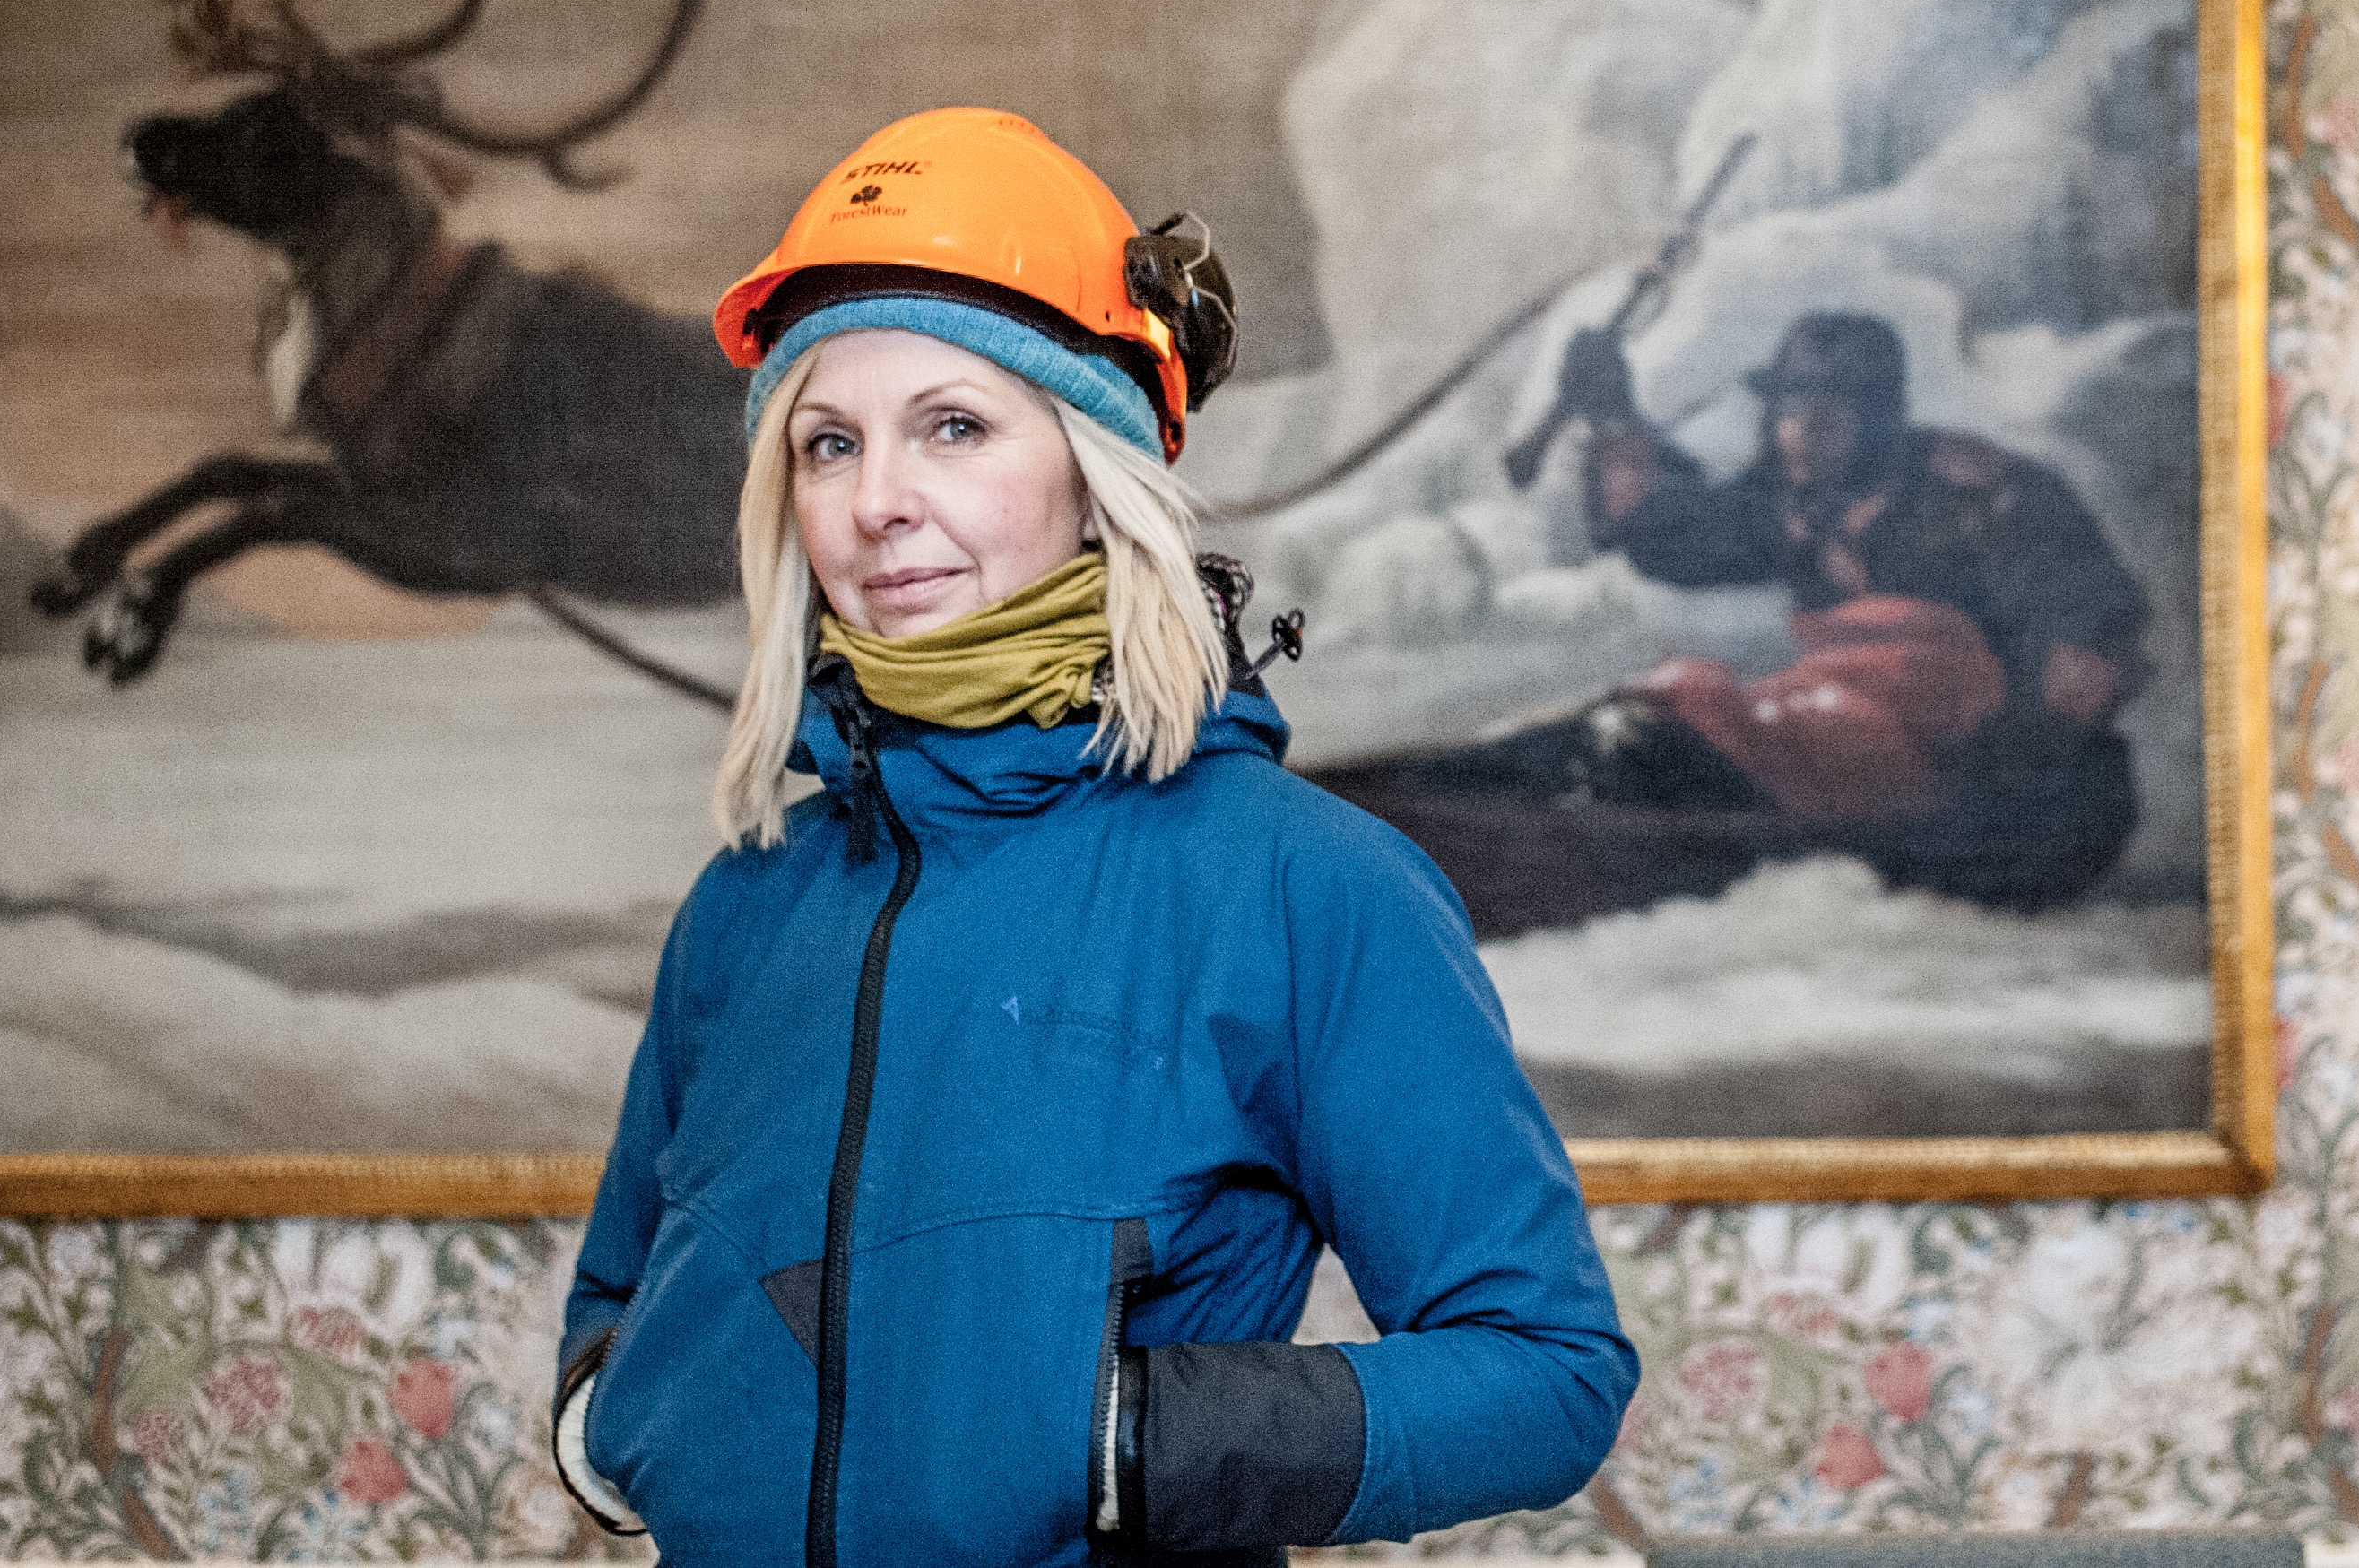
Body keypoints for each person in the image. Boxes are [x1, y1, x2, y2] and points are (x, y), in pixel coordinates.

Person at [550, 108, 1635, 1566]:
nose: (877, 503)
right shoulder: (749, 899)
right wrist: (607, 1423)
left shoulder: (1303, 888)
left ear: (1091, 464)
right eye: (827, 443)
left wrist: (1119, 1440)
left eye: (954, 426)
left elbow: (1548, 1372)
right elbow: (621, 1293)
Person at [1535, 309, 2153, 911]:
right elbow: (1673, 530)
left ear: (1879, 416)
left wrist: (1968, 779)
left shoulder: (1981, 496)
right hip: (1878, 779)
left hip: (2027, 809)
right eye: (1792, 403)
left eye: (1833, 405)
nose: (1805, 426)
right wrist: (1615, 420)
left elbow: (2088, 652)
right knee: (1682, 702)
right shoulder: (1800, 498)